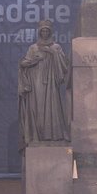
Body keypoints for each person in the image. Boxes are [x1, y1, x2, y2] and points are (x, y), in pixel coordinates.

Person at [18, 20, 70, 149]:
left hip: (51, 83)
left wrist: (53, 53)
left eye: (47, 31)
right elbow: (24, 63)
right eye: (43, 31)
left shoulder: (56, 47)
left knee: (52, 107)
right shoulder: (33, 48)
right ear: (39, 32)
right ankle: (38, 135)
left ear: (50, 32)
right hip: (36, 83)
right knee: (37, 108)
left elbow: (65, 65)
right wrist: (34, 61)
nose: (45, 33)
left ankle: (54, 135)